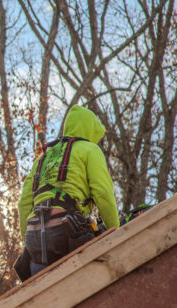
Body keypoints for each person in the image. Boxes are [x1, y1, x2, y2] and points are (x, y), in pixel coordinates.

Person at [15, 104, 119, 279]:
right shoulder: (90, 150)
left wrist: (30, 242)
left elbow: (24, 204)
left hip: (34, 238)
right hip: (68, 234)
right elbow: (103, 194)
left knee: (44, 296)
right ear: (90, 131)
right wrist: (114, 232)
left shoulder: (42, 159)